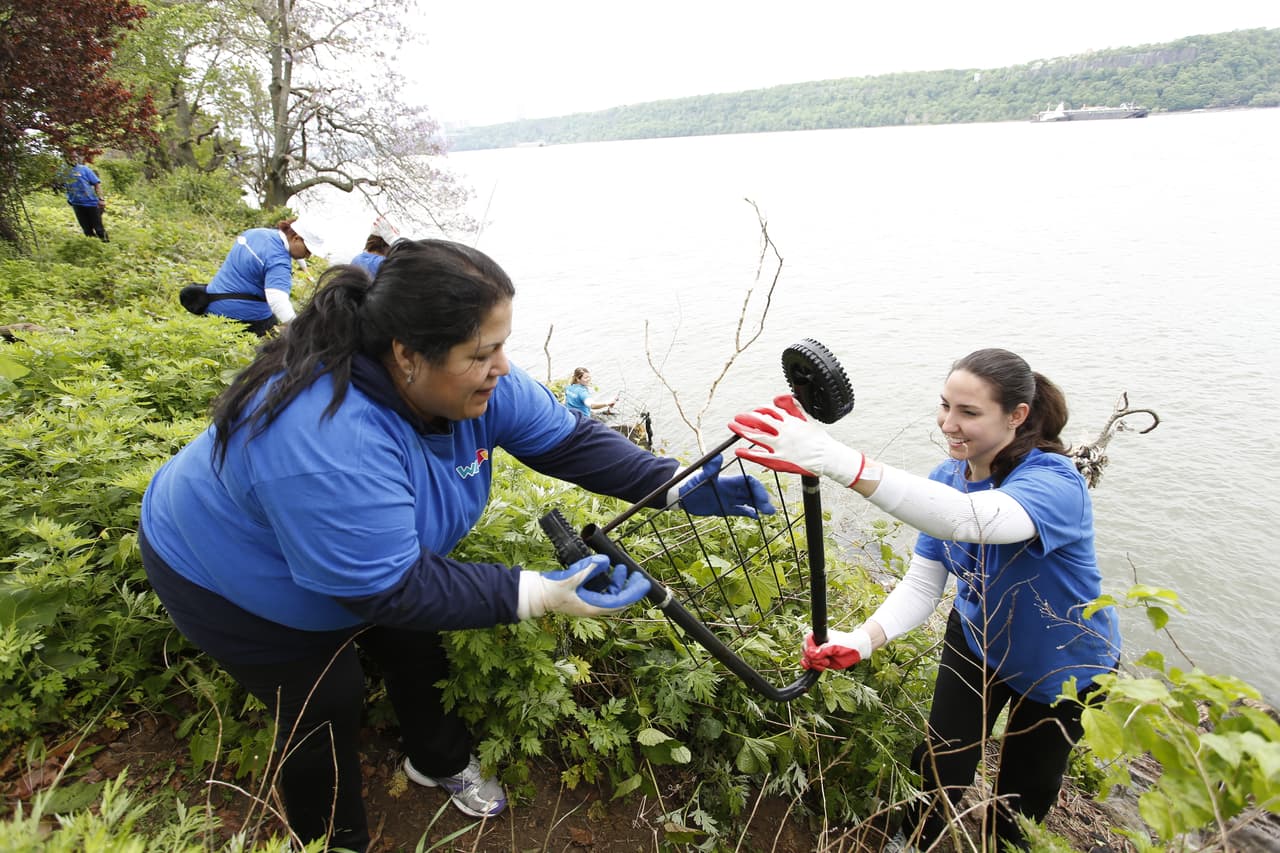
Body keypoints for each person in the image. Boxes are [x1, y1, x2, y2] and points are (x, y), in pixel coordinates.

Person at [139, 238, 774, 852]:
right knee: (324, 701)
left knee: (416, 642)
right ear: (407, 355)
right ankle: (330, 841)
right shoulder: (326, 437)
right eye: (482, 353)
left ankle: (436, 760)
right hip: (226, 571)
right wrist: (543, 594)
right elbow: (390, 586)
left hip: (376, 556)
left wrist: (672, 484)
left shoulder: (474, 381)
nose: (503, 367)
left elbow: (569, 441)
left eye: (502, 345)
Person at [728, 348, 1121, 851]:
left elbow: (966, 520)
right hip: (978, 640)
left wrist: (836, 459)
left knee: (1023, 797)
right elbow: (922, 584)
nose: (949, 424)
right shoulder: (947, 477)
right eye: (945, 406)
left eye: (969, 412)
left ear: (1017, 416)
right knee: (940, 761)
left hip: (1066, 664)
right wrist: (863, 640)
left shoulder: (1054, 481)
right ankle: (913, 841)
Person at [204, 218, 325, 336]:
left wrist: (305, 269)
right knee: (276, 333)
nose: (308, 256)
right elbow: (277, 300)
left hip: (211, 302)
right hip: (239, 316)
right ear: (296, 238)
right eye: (308, 250)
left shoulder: (256, 233)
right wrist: (300, 330)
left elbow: (292, 250)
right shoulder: (278, 262)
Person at [57, 159, 108, 241]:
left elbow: (97, 184)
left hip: (91, 203)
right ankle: (92, 246)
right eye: (71, 157)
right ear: (66, 158)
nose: (74, 159)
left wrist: (101, 199)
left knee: (99, 229)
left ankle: (106, 244)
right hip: (76, 204)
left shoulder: (84, 169)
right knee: (87, 230)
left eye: (75, 156)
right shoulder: (62, 171)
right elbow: (58, 184)